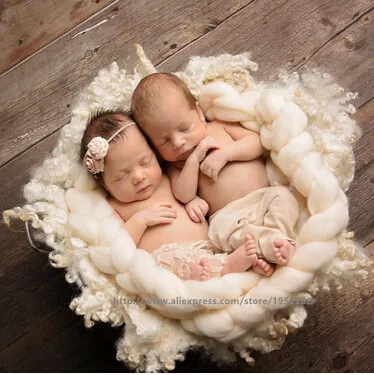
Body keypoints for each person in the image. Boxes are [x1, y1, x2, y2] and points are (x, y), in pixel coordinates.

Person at [131, 73, 300, 277]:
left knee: (284, 196)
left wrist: (226, 154)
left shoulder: (219, 127)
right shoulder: (175, 164)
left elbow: (255, 143)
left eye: (184, 128)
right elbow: (183, 194)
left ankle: (273, 241)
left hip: (264, 197)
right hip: (229, 217)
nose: (177, 142)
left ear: (199, 112)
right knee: (223, 233)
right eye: (164, 142)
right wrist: (193, 161)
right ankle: (270, 247)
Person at [80, 111, 262, 281]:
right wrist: (141, 220)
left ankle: (241, 264)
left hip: (209, 248)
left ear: (156, 155)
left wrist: (192, 201)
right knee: (178, 263)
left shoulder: (168, 175)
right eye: (122, 176)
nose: (138, 177)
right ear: (104, 183)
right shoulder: (113, 205)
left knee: (229, 238)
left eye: (145, 162)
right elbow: (117, 246)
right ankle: (226, 267)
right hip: (165, 264)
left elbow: (186, 193)